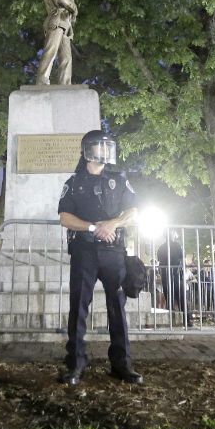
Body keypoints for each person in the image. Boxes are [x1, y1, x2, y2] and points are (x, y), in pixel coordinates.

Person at [58, 129, 142, 386]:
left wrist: (113, 224)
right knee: (79, 308)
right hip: (84, 251)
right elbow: (65, 218)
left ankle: (122, 364)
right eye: (100, 147)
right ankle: (75, 365)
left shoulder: (119, 177)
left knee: (117, 308)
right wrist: (95, 227)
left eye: (108, 147)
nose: (105, 152)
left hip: (113, 252)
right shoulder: (73, 182)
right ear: (87, 151)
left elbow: (135, 211)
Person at [36, 0, 78, 85]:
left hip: (64, 22)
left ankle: (65, 84)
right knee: (51, 51)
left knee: (66, 57)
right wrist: (74, 8)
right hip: (57, 19)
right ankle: (42, 81)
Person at [156, 230, 189, 325]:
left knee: (172, 298)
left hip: (171, 274)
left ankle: (176, 320)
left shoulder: (163, 247)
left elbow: (160, 262)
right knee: (178, 298)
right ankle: (184, 320)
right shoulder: (176, 246)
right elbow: (182, 259)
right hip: (173, 274)